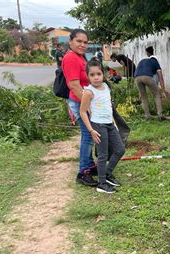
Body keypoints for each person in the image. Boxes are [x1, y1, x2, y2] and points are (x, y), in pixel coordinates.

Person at [79, 59, 125, 193]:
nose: (96, 77)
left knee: (120, 149)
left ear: (103, 74)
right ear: (88, 76)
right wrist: (91, 130)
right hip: (98, 126)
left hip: (109, 124)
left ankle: (108, 174)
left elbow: (108, 106)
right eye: (92, 75)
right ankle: (101, 183)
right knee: (103, 154)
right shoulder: (88, 92)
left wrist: (114, 123)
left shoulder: (106, 86)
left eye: (98, 74)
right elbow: (82, 112)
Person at [62, 29, 97, 186]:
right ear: (71, 41)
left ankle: (89, 165)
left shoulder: (80, 57)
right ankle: (83, 172)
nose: (82, 45)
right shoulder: (70, 58)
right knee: (89, 135)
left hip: (84, 100)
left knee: (88, 134)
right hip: (79, 102)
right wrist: (87, 105)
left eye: (85, 42)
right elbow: (74, 85)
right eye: (79, 41)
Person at [134, 47, 167, 119]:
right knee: (156, 94)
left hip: (137, 77)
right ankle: (160, 114)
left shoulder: (143, 60)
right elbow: (160, 77)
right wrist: (163, 90)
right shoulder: (155, 62)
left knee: (143, 96)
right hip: (147, 77)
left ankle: (147, 115)